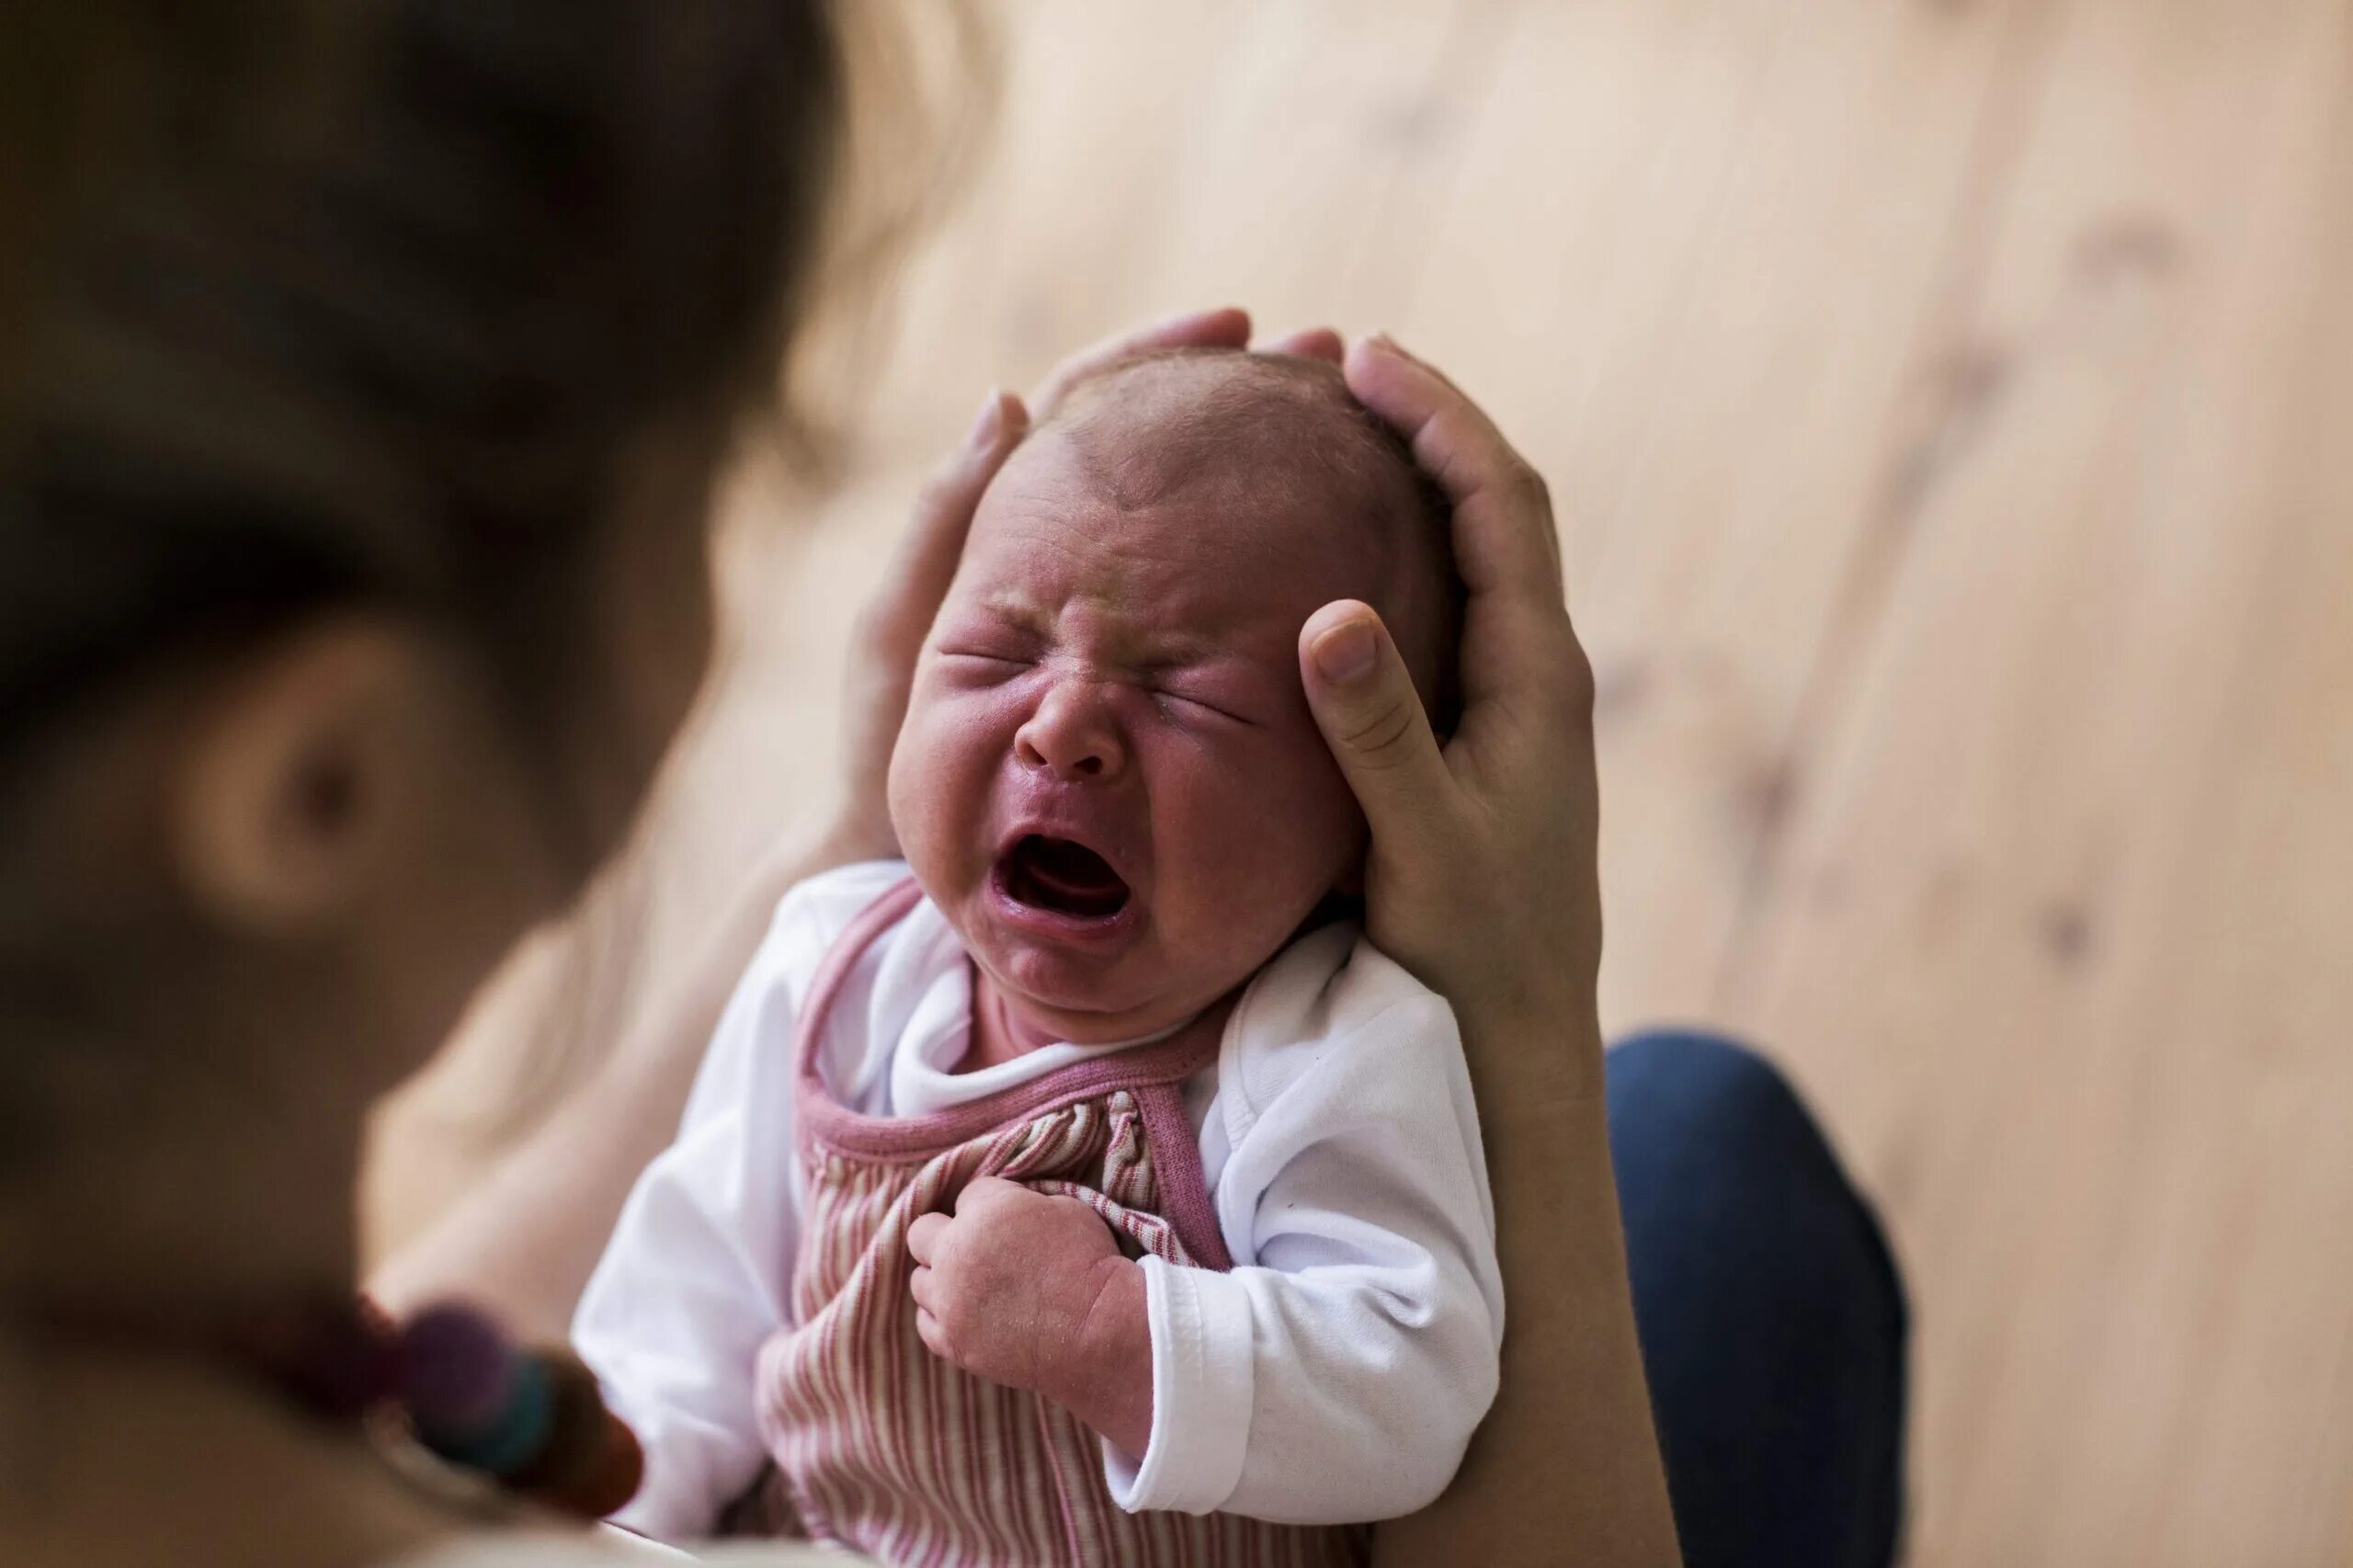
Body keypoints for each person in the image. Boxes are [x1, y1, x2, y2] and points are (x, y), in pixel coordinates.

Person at [0, 3, 1903, 1566]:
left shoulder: (1296, 1041)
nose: (1061, 726)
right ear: (322, 783)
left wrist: (858, 837)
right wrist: (1524, 1055)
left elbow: (1396, 1342)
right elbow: (690, 1283)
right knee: (1702, 1159)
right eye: (711, 474)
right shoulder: (845, 998)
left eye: (1185, 698)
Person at [574, 349, 1500, 1557]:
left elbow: (1414, 1390)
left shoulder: (1332, 1046)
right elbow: (681, 1319)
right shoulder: (836, 975)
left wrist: (1116, 1329)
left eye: (1191, 695)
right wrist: (607, 1517)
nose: (1061, 727)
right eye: (998, 657)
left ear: (1360, 818)